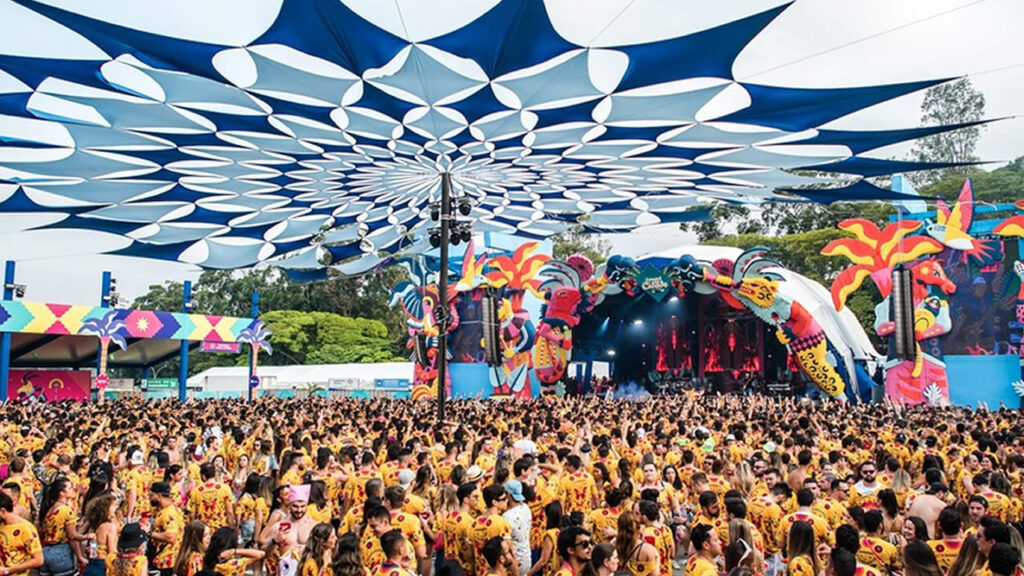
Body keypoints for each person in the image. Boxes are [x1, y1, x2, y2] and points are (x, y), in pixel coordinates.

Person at [39, 477, 92, 576]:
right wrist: (86, 538)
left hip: (45, 552)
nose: (73, 490)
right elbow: (72, 536)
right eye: (70, 488)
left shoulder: (50, 508)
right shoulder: (66, 511)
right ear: (62, 493)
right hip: (60, 552)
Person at [264, 484, 318, 571]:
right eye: (295, 506)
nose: (299, 510)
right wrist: (274, 541)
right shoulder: (279, 526)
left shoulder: (314, 526)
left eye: (302, 506)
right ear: (290, 505)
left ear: (307, 505)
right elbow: (265, 552)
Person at [0, 491, 44, 576]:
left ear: (2, 511)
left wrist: (8, 570)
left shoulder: (26, 529)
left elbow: (38, 560)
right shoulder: (2, 524)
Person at [82, 493, 119, 576]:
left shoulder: (98, 526)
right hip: (103, 565)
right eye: (113, 506)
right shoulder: (110, 527)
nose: (116, 509)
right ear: (105, 509)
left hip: (92, 564)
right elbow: (112, 552)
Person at [502, 481, 531, 576]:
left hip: (514, 560)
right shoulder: (526, 508)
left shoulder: (506, 516)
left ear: (509, 495)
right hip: (526, 556)